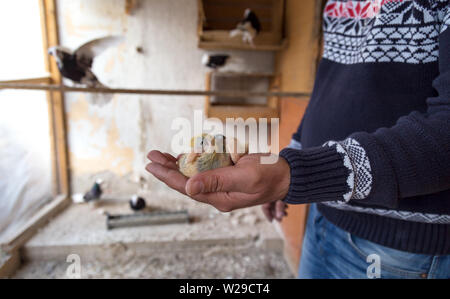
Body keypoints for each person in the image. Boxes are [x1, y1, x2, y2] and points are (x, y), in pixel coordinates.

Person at [146, 0, 450, 279]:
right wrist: (294, 154)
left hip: (401, 246)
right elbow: (333, 85)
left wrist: (300, 174)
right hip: (323, 212)